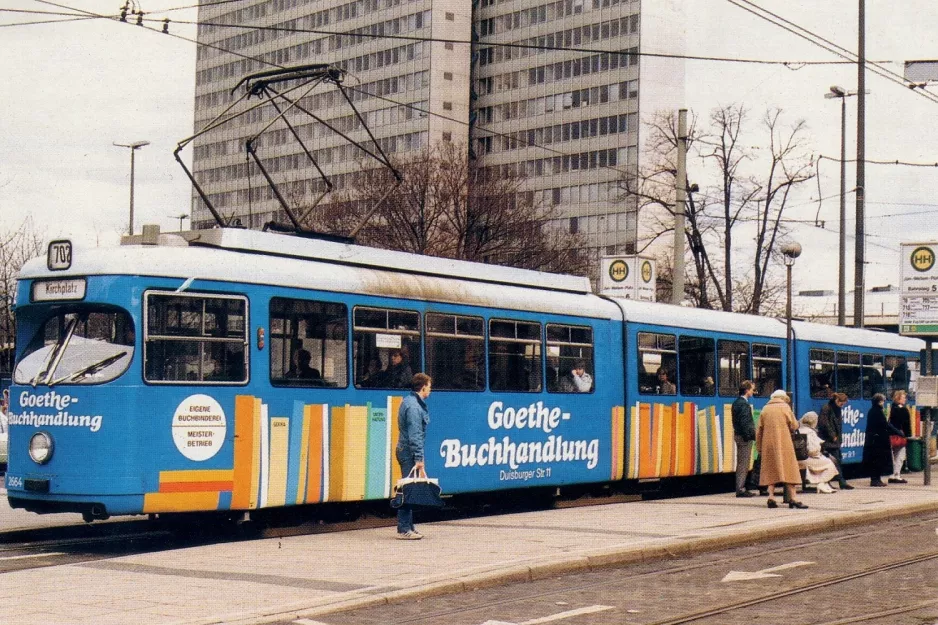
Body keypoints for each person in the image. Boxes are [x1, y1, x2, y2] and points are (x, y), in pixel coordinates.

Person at [756, 389, 808, 509]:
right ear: (783, 398)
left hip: (768, 445)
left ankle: (771, 497)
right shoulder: (785, 407)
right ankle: (793, 498)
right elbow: (794, 425)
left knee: (771, 470)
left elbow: (759, 431)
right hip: (784, 444)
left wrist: (759, 447)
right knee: (790, 470)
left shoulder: (765, 409)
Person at [396, 373, 432, 540]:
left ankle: (409, 526)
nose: (430, 390)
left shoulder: (409, 402)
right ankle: (404, 529)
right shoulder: (414, 407)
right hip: (409, 452)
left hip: (405, 449)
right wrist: (419, 459)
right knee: (407, 490)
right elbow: (415, 434)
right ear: (423, 387)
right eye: (429, 386)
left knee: (409, 489)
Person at [863, 393, 905, 487]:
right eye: (882, 401)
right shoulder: (877, 411)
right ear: (879, 401)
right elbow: (885, 424)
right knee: (877, 459)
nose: (883, 403)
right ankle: (875, 480)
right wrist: (898, 432)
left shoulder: (873, 411)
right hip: (877, 440)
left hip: (873, 439)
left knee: (875, 460)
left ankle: (876, 479)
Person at [817, 392, 854, 490]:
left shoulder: (835, 408)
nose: (842, 405)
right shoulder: (827, 408)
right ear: (837, 400)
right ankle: (841, 482)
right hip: (828, 440)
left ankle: (835, 482)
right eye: (842, 403)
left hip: (834, 441)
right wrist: (833, 436)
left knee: (835, 461)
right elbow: (824, 424)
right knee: (835, 461)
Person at [798, 411, 840, 493]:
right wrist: (819, 453)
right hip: (806, 460)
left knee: (825, 460)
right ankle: (821, 483)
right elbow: (813, 450)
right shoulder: (810, 432)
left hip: (797, 459)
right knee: (830, 463)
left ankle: (823, 484)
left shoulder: (799, 430)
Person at [732, 380, 757, 497]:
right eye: (752, 389)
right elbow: (745, 423)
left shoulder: (737, 403)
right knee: (743, 463)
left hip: (739, 435)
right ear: (747, 390)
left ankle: (741, 487)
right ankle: (740, 489)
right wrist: (750, 436)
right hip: (744, 438)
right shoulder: (743, 404)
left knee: (742, 462)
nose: (753, 391)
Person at [888, 390, 912, 484]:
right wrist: (908, 435)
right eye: (903, 397)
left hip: (892, 435)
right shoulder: (903, 410)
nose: (905, 399)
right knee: (900, 455)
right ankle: (896, 475)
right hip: (900, 436)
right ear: (898, 398)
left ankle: (892, 474)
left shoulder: (892, 408)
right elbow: (906, 424)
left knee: (893, 455)